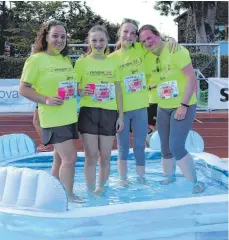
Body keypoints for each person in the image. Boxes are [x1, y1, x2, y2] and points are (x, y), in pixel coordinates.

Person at [19, 20, 83, 202]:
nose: (59, 40)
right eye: (55, 36)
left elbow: (68, 86)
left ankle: (51, 193)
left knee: (59, 157)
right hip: (53, 118)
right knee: (70, 159)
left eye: (63, 37)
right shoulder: (36, 59)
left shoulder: (64, 59)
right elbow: (23, 89)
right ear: (45, 37)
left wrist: (78, 90)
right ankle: (67, 196)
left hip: (69, 115)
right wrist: (46, 99)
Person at [109, 18, 177, 187]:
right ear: (120, 33)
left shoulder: (141, 49)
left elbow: (156, 43)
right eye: (126, 31)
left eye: (133, 32)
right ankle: (123, 179)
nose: (129, 35)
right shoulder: (112, 58)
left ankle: (140, 177)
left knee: (140, 146)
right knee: (123, 147)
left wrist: (171, 39)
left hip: (140, 108)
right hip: (121, 111)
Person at [139, 24, 205, 194]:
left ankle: (195, 182)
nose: (147, 42)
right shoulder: (147, 56)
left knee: (176, 145)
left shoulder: (176, 50)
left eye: (149, 38)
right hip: (163, 107)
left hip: (183, 105)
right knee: (165, 147)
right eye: (143, 40)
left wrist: (183, 105)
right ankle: (170, 177)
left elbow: (191, 77)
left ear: (157, 35)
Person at [74, 25, 124, 196]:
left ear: (107, 41)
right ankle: (89, 191)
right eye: (94, 40)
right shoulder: (81, 62)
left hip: (109, 113)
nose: (98, 43)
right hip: (89, 112)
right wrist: (80, 91)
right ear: (89, 41)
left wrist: (121, 116)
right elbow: (74, 87)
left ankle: (101, 188)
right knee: (91, 155)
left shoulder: (113, 62)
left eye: (101, 40)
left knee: (106, 156)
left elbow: (118, 90)